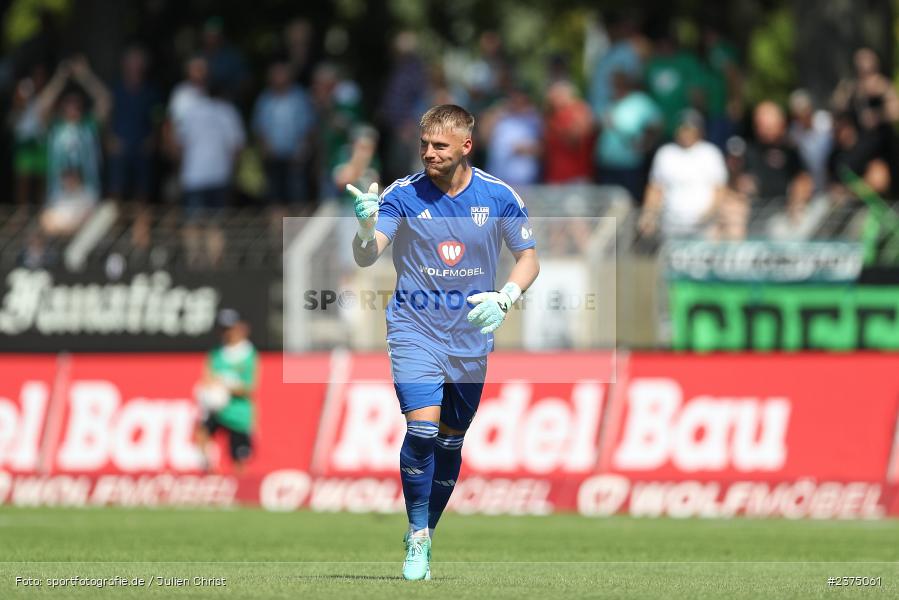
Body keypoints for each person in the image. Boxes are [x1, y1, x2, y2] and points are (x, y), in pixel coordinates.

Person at [348, 104, 540, 580]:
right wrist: (366, 227)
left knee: (452, 442)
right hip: (414, 328)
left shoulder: (497, 196)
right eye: (424, 145)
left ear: (466, 147)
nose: (429, 154)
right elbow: (368, 257)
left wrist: (506, 296)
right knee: (423, 431)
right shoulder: (403, 195)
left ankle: (426, 533)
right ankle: (415, 535)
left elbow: (528, 260)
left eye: (440, 146)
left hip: (471, 336)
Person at [639, 110, 727, 240]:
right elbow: (655, 188)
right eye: (683, 128)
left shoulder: (711, 153)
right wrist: (648, 215)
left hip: (703, 227)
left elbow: (720, 189)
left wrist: (710, 214)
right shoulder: (665, 153)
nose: (686, 132)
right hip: (671, 225)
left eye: (690, 128)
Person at [195, 309, 259, 474]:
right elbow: (207, 377)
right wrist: (209, 389)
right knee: (201, 432)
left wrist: (225, 385)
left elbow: (249, 387)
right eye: (222, 328)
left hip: (238, 414)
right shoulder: (216, 353)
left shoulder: (248, 354)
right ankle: (210, 474)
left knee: (238, 459)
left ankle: (241, 494)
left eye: (228, 328)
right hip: (217, 411)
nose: (225, 332)